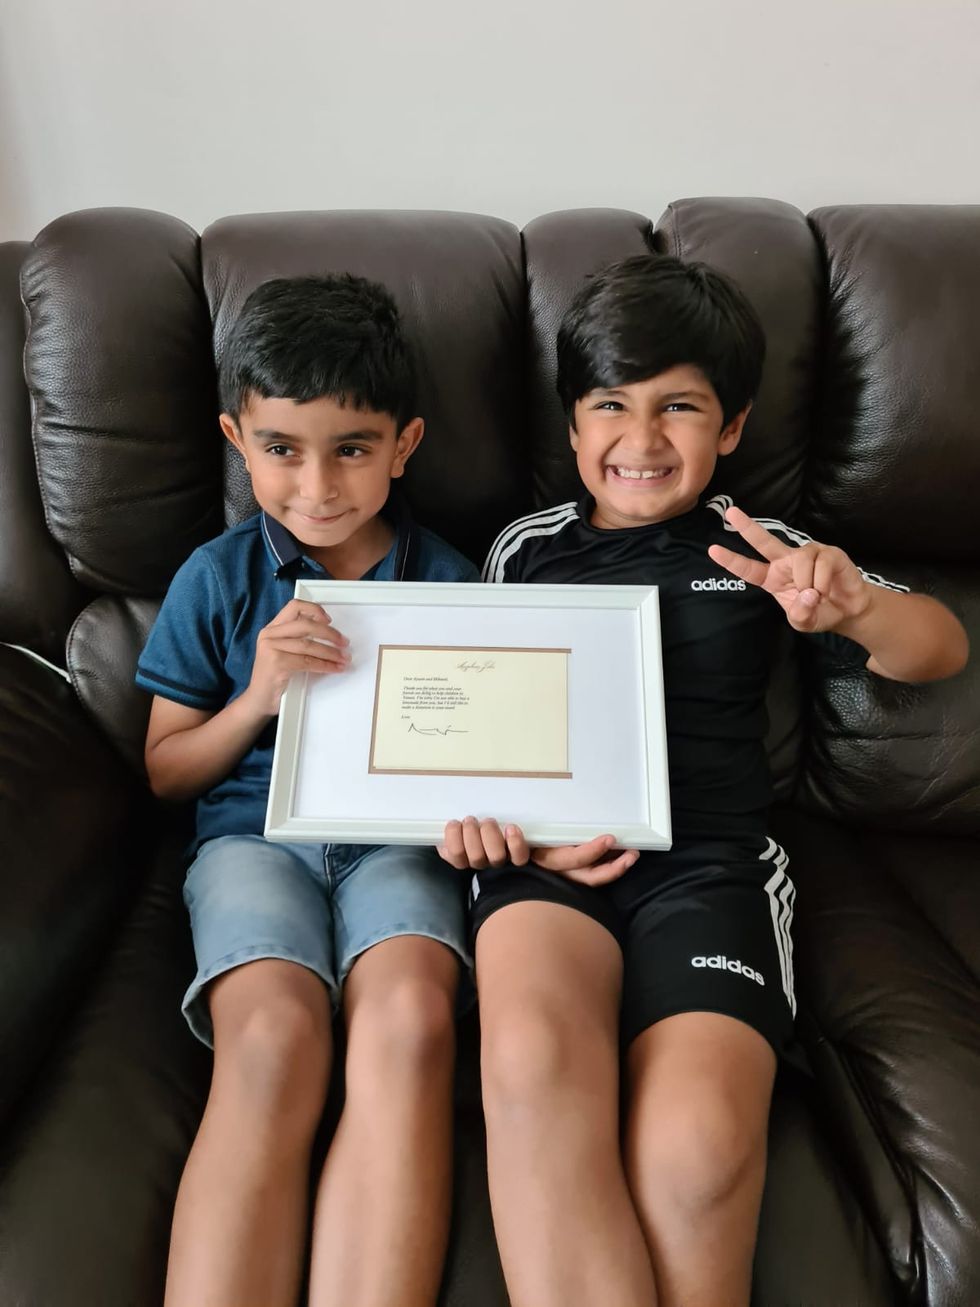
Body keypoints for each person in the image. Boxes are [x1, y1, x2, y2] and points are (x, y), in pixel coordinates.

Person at [439, 254, 969, 1307]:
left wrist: (850, 607)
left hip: (709, 868)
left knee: (697, 1145)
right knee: (534, 1068)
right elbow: (476, 735)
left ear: (729, 427)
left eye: (677, 407)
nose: (640, 441)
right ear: (572, 425)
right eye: (610, 408)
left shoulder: (766, 549)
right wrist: (502, 837)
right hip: (553, 865)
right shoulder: (523, 551)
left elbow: (938, 648)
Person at [136, 273, 479, 1307]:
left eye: (352, 448)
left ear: (404, 444)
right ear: (237, 439)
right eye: (281, 448)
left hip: (399, 843)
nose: (316, 485)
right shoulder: (219, 573)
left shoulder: (450, 583)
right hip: (253, 837)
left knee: (412, 1018)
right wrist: (255, 698)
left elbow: (480, 761)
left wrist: (478, 822)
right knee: (276, 1035)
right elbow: (164, 769)